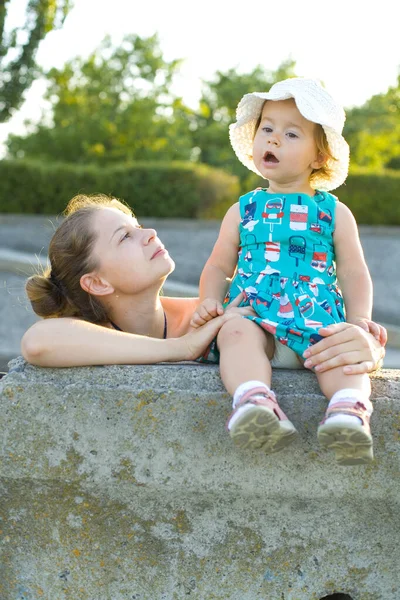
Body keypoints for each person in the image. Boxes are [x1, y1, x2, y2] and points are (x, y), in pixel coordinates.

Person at [21, 195, 384, 452]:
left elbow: (303, 329)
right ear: (98, 283)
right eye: (125, 237)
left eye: (139, 226)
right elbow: (38, 342)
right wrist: (181, 348)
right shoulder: (91, 336)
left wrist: (366, 342)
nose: (149, 233)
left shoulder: (221, 313)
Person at [190, 78, 386, 465]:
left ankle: (348, 411)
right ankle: (254, 402)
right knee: (234, 332)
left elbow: (353, 270)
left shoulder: (334, 212)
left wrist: (359, 319)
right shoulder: (242, 210)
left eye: (291, 133)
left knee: (341, 352)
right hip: (256, 316)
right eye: (267, 128)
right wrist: (209, 301)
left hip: (315, 319)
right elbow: (217, 265)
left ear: (319, 158)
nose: (273, 139)